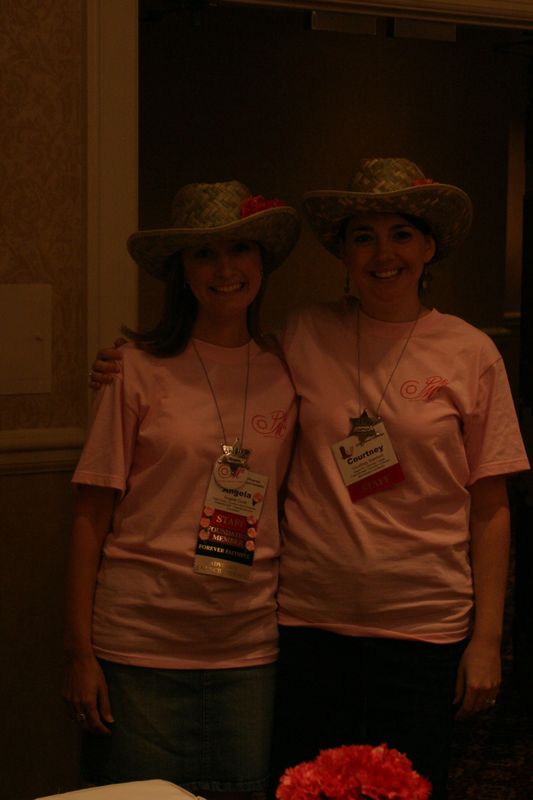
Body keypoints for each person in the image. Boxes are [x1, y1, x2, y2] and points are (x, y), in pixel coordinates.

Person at [90, 159, 529, 799]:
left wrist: (487, 640)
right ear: (343, 254)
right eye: (363, 237)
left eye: (401, 234)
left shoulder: (471, 353)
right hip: (306, 629)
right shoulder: (301, 335)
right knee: (301, 791)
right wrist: (122, 363)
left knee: (405, 790)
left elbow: (491, 506)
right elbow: (215, 365)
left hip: (423, 631)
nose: (383, 254)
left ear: (429, 246)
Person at [63, 179, 300, 798]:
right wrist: (79, 653)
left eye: (241, 249)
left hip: (248, 649)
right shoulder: (134, 369)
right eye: (204, 254)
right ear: (182, 272)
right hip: (139, 645)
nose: (226, 268)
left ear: (261, 262)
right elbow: (92, 513)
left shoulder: (287, 369)